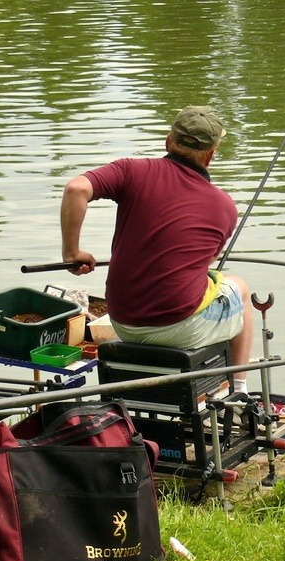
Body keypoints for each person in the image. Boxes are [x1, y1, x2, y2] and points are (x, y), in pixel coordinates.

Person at [60, 105, 253, 394]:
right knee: (240, 289)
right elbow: (204, 261)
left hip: (123, 320)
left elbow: (76, 189)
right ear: (211, 155)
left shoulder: (131, 171)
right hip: (180, 328)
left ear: (168, 141)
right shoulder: (224, 207)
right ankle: (240, 390)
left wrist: (71, 253)